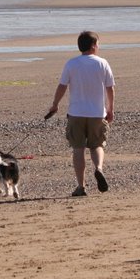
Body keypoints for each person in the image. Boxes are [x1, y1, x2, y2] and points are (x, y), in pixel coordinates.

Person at [45, 30, 115, 196]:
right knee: (97, 145)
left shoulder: (72, 63)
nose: (98, 46)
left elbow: (62, 86)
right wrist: (110, 108)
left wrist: (55, 105)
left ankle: (81, 186)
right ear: (93, 46)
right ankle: (98, 168)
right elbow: (110, 88)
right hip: (97, 112)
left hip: (76, 112)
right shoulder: (102, 63)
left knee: (78, 148)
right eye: (97, 44)